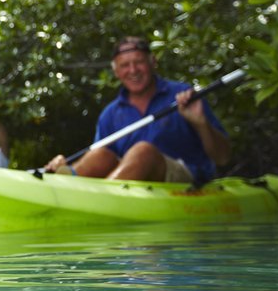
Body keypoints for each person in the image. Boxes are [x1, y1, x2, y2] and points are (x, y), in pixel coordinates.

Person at [44, 36, 230, 184]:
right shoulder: (110, 114)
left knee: (143, 151)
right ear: (116, 72)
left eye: (139, 62)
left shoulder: (183, 96)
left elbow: (222, 158)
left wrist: (201, 124)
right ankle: (62, 181)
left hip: (187, 181)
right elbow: (98, 161)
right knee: (100, 155)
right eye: (125, 65)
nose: (133, 70)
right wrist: (66, 165)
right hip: (133, 183)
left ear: (152, 62)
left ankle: (104, 201)